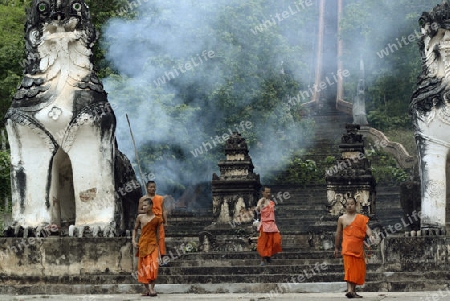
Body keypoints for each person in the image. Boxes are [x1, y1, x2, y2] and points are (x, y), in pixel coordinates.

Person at [334, 197, 375, 298]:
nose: (349, 206)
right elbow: (338, 234)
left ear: (356, 205)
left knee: (357, 270)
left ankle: (353, 291)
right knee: (349, 269)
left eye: (352, 204)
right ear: (345, 206)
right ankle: (349, 290)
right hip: (347, 248)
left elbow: (367, 229)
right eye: (347, 204)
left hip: (358, 248)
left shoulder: (361, 218)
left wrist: (371, 236)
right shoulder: (341, 219)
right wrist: (336, 247)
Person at [132, 198, 163, 297]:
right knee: (143, 268)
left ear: (151, 206)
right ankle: (147, 289)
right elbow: (135, 229)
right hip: (143, 245)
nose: (143, 207)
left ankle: (152, 288)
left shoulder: (157, 219)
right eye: (143, 206)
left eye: (145, 205)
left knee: (154, 266)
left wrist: (159, 250)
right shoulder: (140, 217)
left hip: (153, 245)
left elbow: (158, 234)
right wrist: (133, 240)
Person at [138, 181, 167, 261]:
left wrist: (166, 222)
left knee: (161, 238)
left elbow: (163, 210)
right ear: (147, 188)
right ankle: (150, 257)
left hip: (159, 220)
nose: (152, 189)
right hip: (148, 221)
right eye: (151, 187)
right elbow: (139, 211)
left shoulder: (160, 198)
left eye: (154, 187)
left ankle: (163, 257)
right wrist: (148, 211)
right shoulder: (143, 199)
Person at [256, 186, 282, 266]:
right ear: (263, 192)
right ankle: (263, 260)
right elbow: (257, 210)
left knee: (276, 240)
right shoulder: (261, 201)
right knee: (264, 243)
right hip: (264, 225)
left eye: (269, 192)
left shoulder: (271, 202)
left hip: (272, 224)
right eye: (267, 192)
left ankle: (268, 255)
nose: (268, 194)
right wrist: (261, 203)